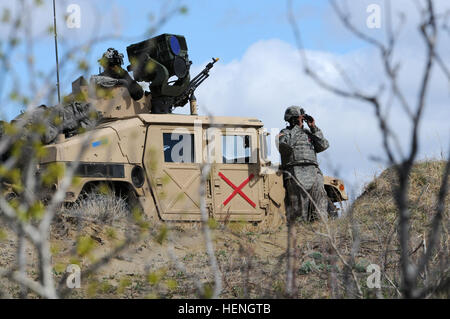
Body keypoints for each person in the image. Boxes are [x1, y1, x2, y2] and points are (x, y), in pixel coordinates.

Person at [276, 106, 330, 222]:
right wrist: (297, 128)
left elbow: (323, 145)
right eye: (299, 118)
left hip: (314, 172)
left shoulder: (309, 133)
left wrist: (314, 128)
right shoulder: (284, 133)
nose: (302, 120)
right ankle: (301, 235)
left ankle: (322, 232)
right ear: (293, 119)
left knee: (320, 204)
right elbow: (286, 146)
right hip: (295, 172)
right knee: (299, 211)